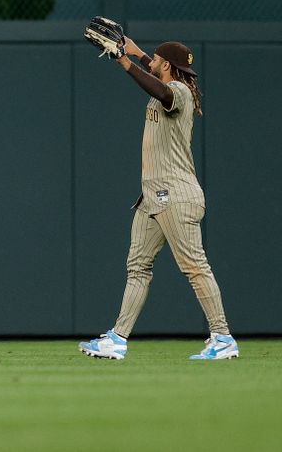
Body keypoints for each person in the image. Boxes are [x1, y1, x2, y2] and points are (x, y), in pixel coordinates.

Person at [79, 38, 239, 360]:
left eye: (154, 58)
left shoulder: (177, 91)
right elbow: (154, 76)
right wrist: (135, 52)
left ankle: (222, 337)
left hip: (176, 195)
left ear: (166, 66)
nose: (149, 60)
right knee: (137, 267)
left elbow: (161, 90)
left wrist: (125, 62)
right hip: (154, 198)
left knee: (194, 266)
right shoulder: (168, 81)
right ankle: (118, 339)